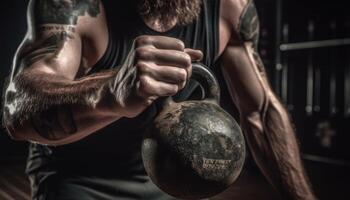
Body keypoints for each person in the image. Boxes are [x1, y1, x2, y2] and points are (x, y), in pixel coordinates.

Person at [2, 0, 317, 199]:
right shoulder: (74, 7)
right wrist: (107, 92)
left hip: (168, 178)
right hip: (79, 179)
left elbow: (259, 114)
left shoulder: (230, 9)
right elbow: (18, 110)